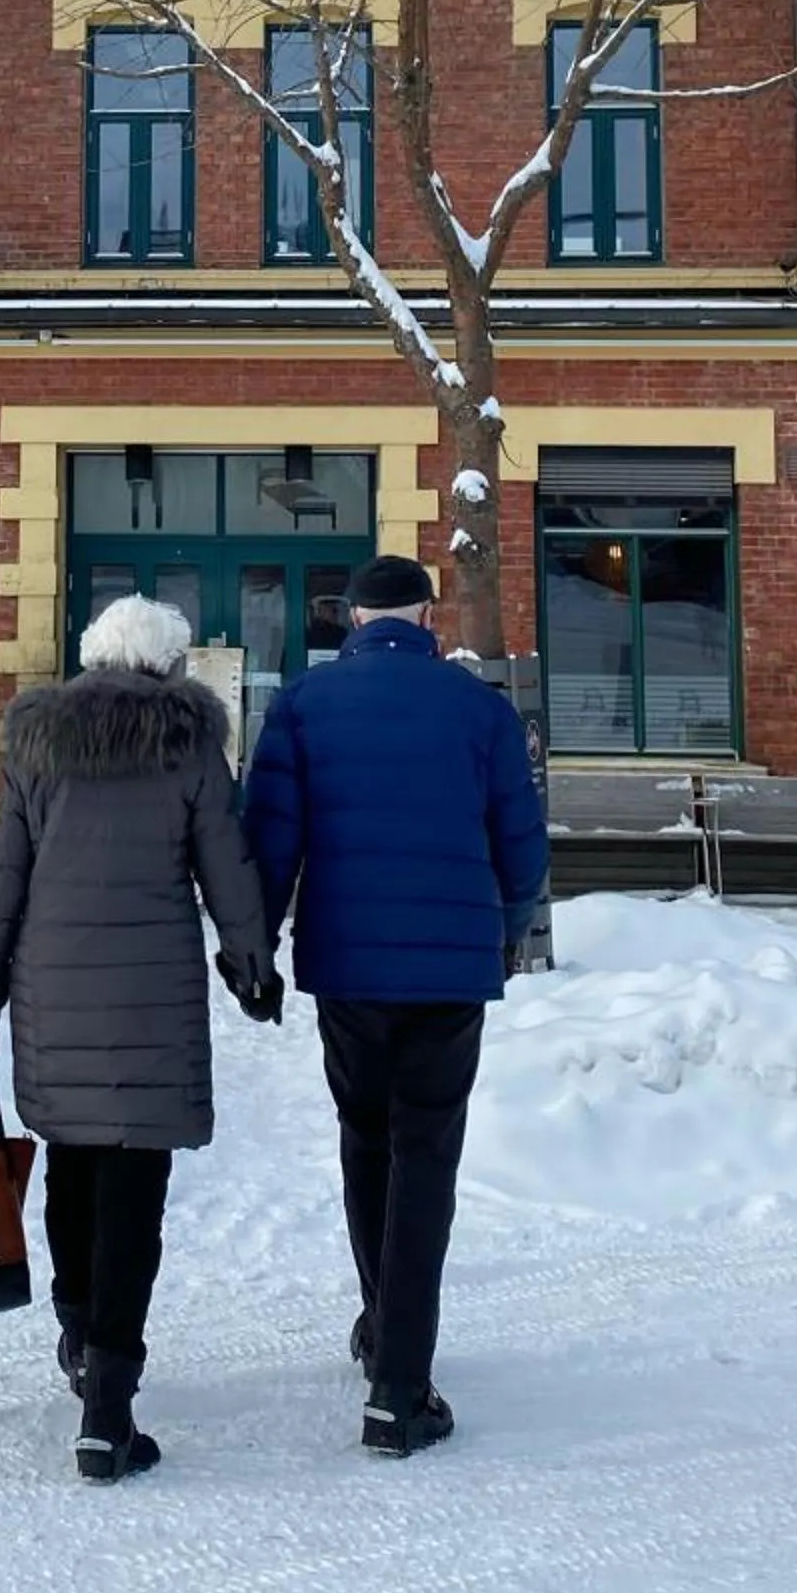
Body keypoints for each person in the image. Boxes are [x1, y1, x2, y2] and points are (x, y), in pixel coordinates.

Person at [0, 591, 280, 1483]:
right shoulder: (188, 744)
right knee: (136, 1185)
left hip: (52, 989)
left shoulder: (37, 745)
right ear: (166, 664)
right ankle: (110, 1402)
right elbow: (226, 861)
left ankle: (77, 1324)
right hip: (153, 997)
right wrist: (252, 964)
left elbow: (1, 881)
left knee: (71, 1163)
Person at [244, 552, 547, 1457]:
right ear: (427, 618)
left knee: (365, 1140)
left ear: (349, 621)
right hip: (450, 971)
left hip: (348, 966)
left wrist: (255, 948)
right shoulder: (482, 711)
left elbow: (271, 839)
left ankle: (382, 1323)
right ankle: (399, 1384)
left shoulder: (301, 705)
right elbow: (522, 844)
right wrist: (506, 927)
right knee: (428, 1158)